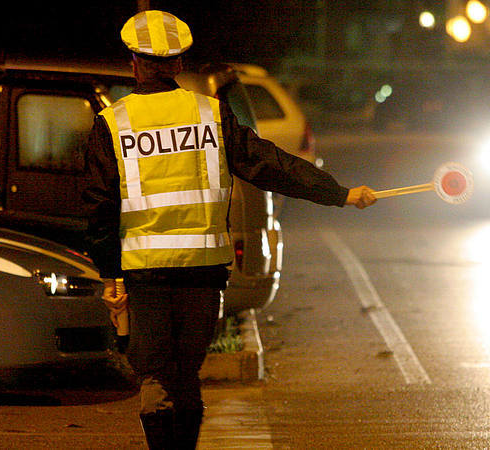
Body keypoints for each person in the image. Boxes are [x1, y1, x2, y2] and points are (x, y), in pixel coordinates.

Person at [82, 9, 376, 449]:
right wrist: (338, 193)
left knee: (155, 378)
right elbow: (270, 165)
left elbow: (100, 207)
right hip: (204, 275)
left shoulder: (113, 123)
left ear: (133, 63)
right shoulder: (211, 114)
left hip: (144, 275)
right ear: (180, 63)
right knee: (186, 375)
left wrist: (111, 275)